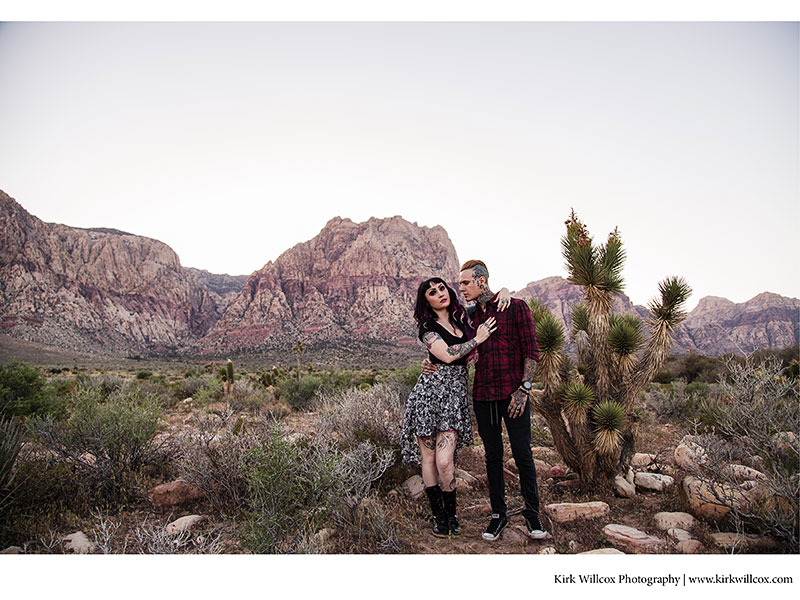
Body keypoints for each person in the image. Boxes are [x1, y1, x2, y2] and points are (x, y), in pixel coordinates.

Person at [425, 260, 547, 541]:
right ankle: (498, 515)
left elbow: (531, 349)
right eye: (460, 284)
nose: (461, 288)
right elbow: (449, 345)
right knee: (493, 457)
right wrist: (428, 362)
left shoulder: (515, 307)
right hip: (483, 396)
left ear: (481, 281)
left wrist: (524, 388)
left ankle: (532, 513)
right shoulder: (466, 318)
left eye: (466, 282)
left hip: (513, 395)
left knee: (523, 454)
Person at [400, 276, 502, 538]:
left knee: (446, 462)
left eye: (442, 288)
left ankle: (452, 512)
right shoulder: (428, 328)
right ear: (427, 301)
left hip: (453, 398)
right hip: (428, 395)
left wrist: (505, 292)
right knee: (430, 458)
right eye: (432, 292)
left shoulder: (462, 317)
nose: (439, 294)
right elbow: (446, 355)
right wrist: (477, 340)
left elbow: (487, 301)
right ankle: (440, 516)